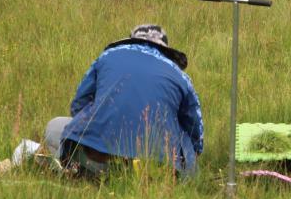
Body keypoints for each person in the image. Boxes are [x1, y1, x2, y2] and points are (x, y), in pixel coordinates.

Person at [42, 24, 203, 177]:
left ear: (132, 40)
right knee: (186, 146)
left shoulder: (107, 57)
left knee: (54, 126)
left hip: (97, 156)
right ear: (164, 49)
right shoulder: (180, 76)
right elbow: (195, 131)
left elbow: (78, 104)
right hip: (155, 168)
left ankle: (79, 170)